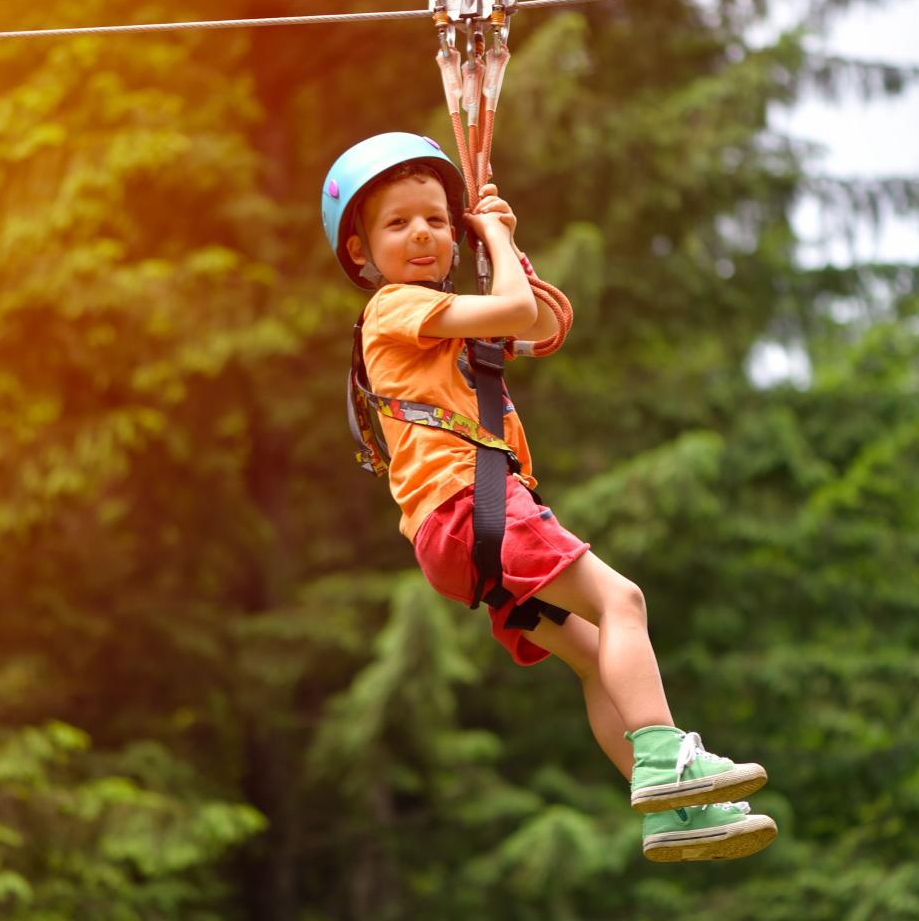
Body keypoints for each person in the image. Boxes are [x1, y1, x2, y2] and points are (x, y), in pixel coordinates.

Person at [321, 133, 776, 863]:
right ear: (360, 252)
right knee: (622, 602)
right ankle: (668, 760)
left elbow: (534, 321)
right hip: (470, 507)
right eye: (398, 223)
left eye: (439, 220)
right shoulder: (392, 309)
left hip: (462, 531)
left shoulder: (433, 328)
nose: (423, 235)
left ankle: (672, 813)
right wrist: (496, 236)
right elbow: (509, 310)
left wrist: (500, 245)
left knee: (598, 657)